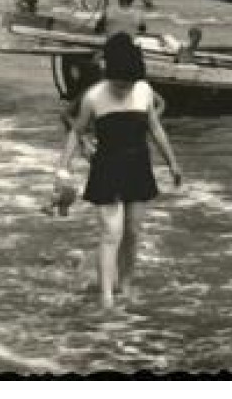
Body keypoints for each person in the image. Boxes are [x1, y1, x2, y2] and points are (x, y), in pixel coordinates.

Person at [56, 33, 182, 309]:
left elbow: (155, 127)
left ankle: (125, 287)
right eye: (119, 83)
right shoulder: (94, 97)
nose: (125, 88)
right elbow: (76, 133)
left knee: (133, 232)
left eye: (130, 83)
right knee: (110, 233)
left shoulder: (144, 91)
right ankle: (106, 300)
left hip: (138, 166)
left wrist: (172, 162)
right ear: (107, 71)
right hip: (107, 168)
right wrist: (63, 167)